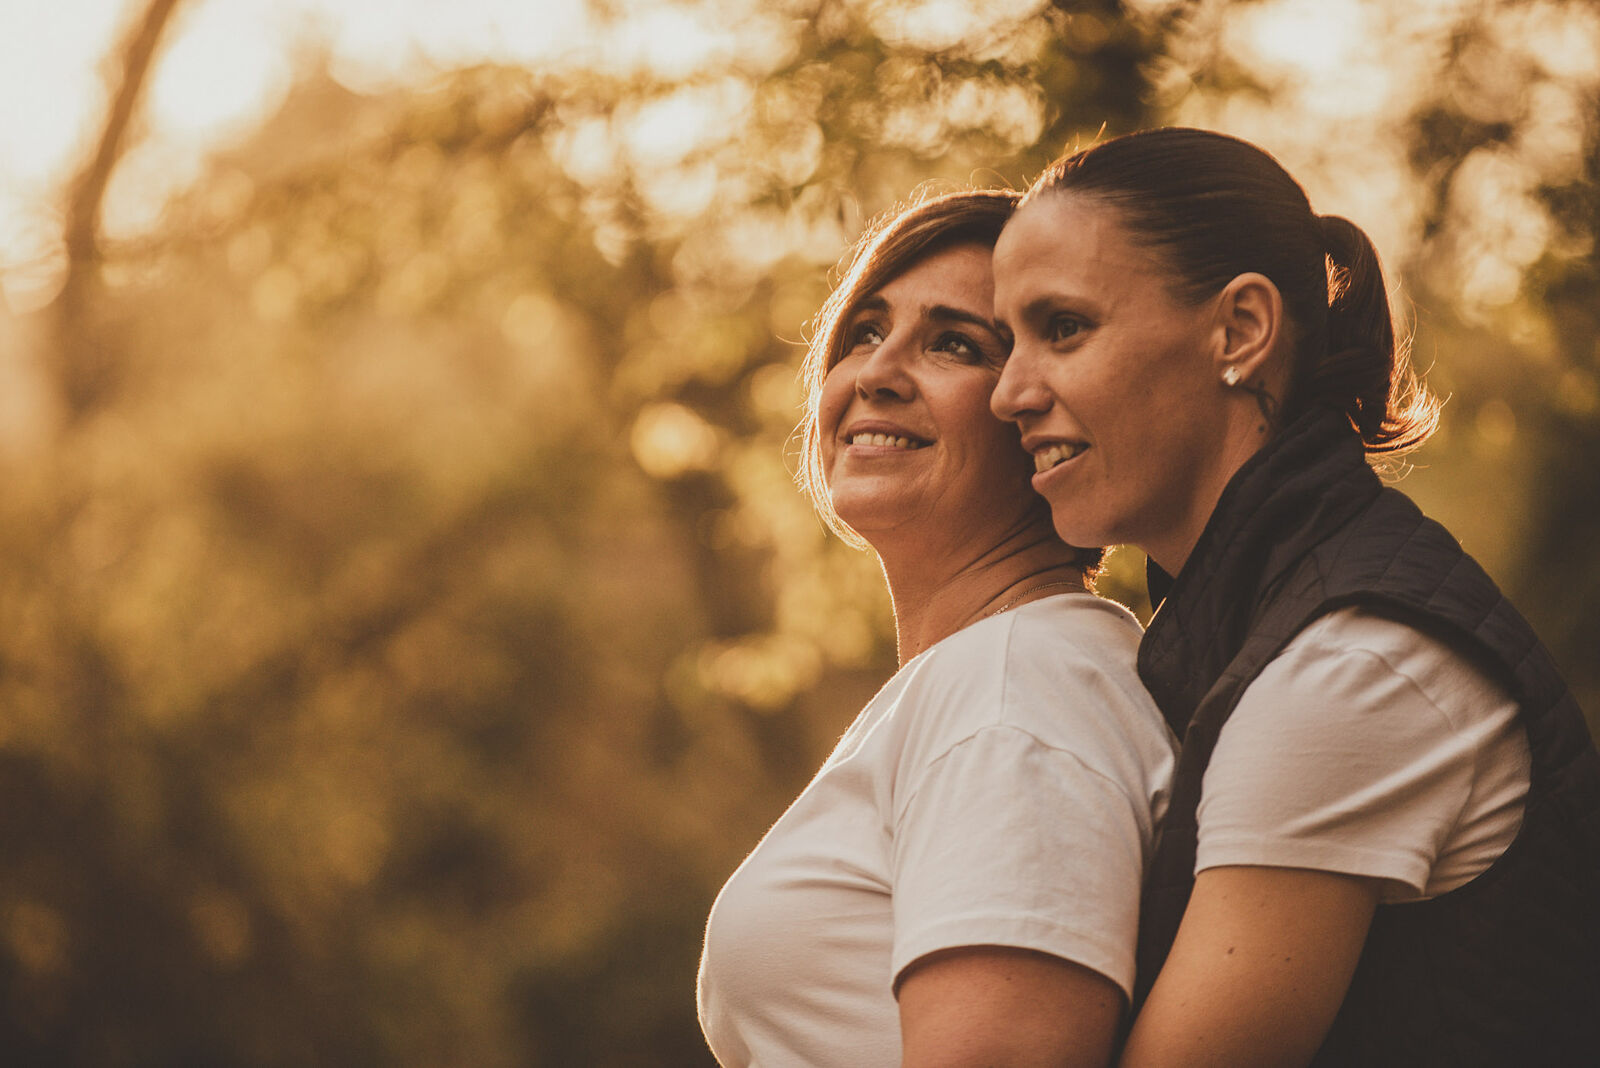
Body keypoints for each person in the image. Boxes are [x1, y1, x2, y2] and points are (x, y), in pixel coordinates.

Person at [989, 126, 1600, 1066]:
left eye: (1062, 328)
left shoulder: (1350, 669)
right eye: (1003, 343)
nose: (1009, 393)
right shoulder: (1253, 625)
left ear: (1240, 330)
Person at [696, 189, 1176, 1067]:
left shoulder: (1016, 703)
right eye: (864, 332)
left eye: (954, 343)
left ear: (1042, 412)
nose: (875, 372)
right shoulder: (979, 681)